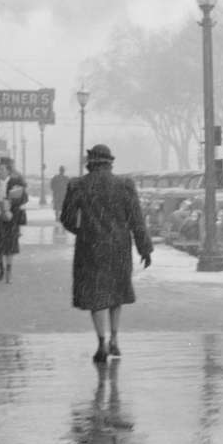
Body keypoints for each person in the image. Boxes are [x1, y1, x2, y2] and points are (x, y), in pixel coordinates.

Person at [61, 144, 152, 364]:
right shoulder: (124, 185)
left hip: (90, 248)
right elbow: (137, 220)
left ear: (90, 163)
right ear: (110, 162)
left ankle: (101, 340)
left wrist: (83, 231)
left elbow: (67, 218)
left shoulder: (78, 185)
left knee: (96, 296)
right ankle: (115, 338)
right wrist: (145, 248)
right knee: (116, 294)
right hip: (118, 247)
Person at [0, 157, 28, 283]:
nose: (0, 171)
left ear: (8, 171)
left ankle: (9, 271)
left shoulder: (15, 182)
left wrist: (11, 202)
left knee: (10, 246)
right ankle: (1, 269)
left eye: (2, 169)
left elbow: (24, 198)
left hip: (10, 219)